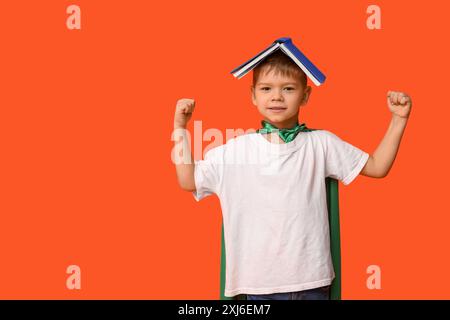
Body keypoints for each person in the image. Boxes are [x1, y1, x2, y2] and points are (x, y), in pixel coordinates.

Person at [172, 49, 412, 300]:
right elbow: (188, 180)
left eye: (288, 88)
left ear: (305, 95)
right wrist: (180, 129)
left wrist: (398, 120)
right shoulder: (236, 150)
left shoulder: (321, 143)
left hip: (312, 282)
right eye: (266, 89)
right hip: (260, 286)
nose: (276, 96)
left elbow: (377, 166)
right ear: (252, 95)